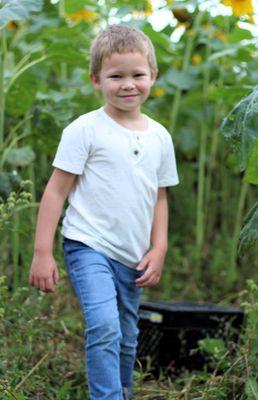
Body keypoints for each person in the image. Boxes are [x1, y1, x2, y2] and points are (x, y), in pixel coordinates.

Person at [29, 25, 179, 400]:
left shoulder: (159, 136)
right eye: (116, 76)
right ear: (96, 80)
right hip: (88, 245)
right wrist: (42, 252)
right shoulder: (85, 130)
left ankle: (122, 391)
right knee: (105, 326)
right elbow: (56, 191)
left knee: (128, 335)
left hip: (133, 255)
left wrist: (158, 248)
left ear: (153, 77)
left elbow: (159, 197)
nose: (128, 85)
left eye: (137, 75)